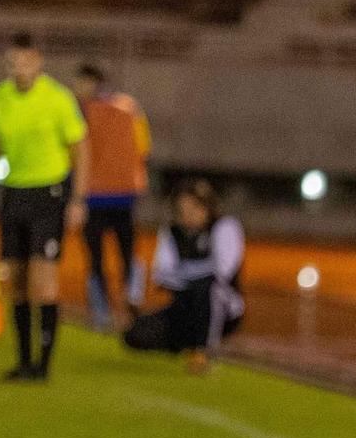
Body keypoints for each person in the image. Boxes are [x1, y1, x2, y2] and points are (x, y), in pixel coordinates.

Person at [0, 33, 88, 382]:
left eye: (23, 60)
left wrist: (77, 198)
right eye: (11, 61)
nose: (17, 68)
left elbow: (81, 149)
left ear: (37, 61)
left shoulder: (57, 98)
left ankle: (43, 365)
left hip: (48, 195)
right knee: (16, 280)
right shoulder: (1, 98)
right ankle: (23, 362)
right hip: (13, 193)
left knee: (43, 280)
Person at [122, 178, 242, 374]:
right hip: (184, 305)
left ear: (207, 207)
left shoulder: (224, 227)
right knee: (136, 334)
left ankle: (204, 351)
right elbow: (162, 273)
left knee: (207, 290)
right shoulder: (172, 232)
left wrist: (187, 276)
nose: (189, 215)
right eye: (183, 209)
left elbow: (223, 271)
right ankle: (185, 344)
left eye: (195, 208)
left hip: (224, 307)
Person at [72, 63, 150, 330]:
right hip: (125, 194)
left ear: (92, 83)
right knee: (127, 253)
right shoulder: (130, 106)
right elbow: (144, 146)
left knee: (96, 257)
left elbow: (73, 151)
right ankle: (131, 305)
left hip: (93, 195)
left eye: (80, 83)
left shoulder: (80, 112)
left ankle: (102, 314)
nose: (77, 88)